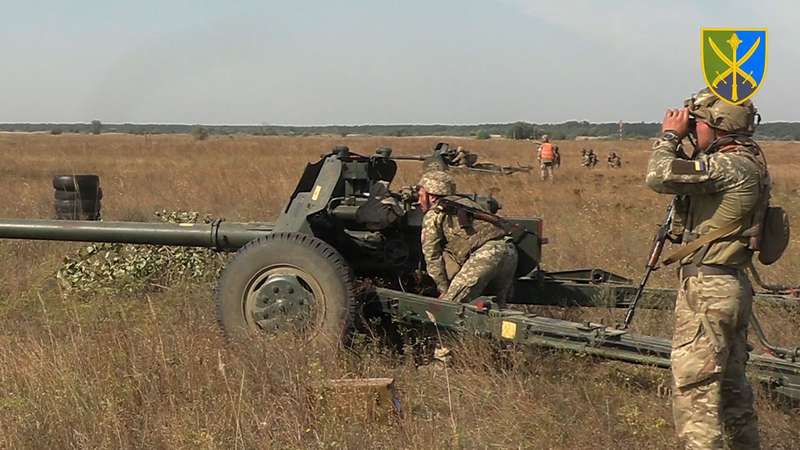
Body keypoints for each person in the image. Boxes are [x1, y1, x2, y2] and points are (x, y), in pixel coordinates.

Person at [645, 88, 765, 449]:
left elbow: (658, 175)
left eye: (697, 123)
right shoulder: (746, 161)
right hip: (726, 285)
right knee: (731, 391)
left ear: (719, 126)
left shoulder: (730, 165)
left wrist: (670, 137)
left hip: (710, 290)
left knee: (696, 392)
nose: (691, 129)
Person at [417, 171, 518, 305]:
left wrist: (443, 289)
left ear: (432, 197)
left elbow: (432, 255)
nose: (418, 201)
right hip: (509, 251)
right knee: (496, 310)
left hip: (486, 256)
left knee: (448, 308)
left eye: (421, 196)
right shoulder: (468, 203)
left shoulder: (435, 213)